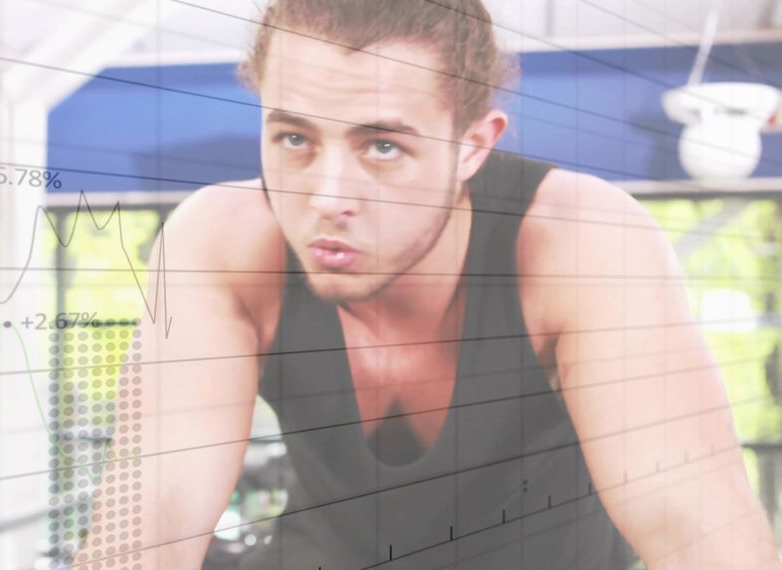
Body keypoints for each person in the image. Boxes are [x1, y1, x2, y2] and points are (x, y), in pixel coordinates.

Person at [70, 0, 782, 568]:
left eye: (382, 145)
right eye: (295, 139)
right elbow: (151, 517)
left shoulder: (583, 240)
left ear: (472, 144)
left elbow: (692, 522)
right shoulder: (223, 240)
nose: (326, 195)